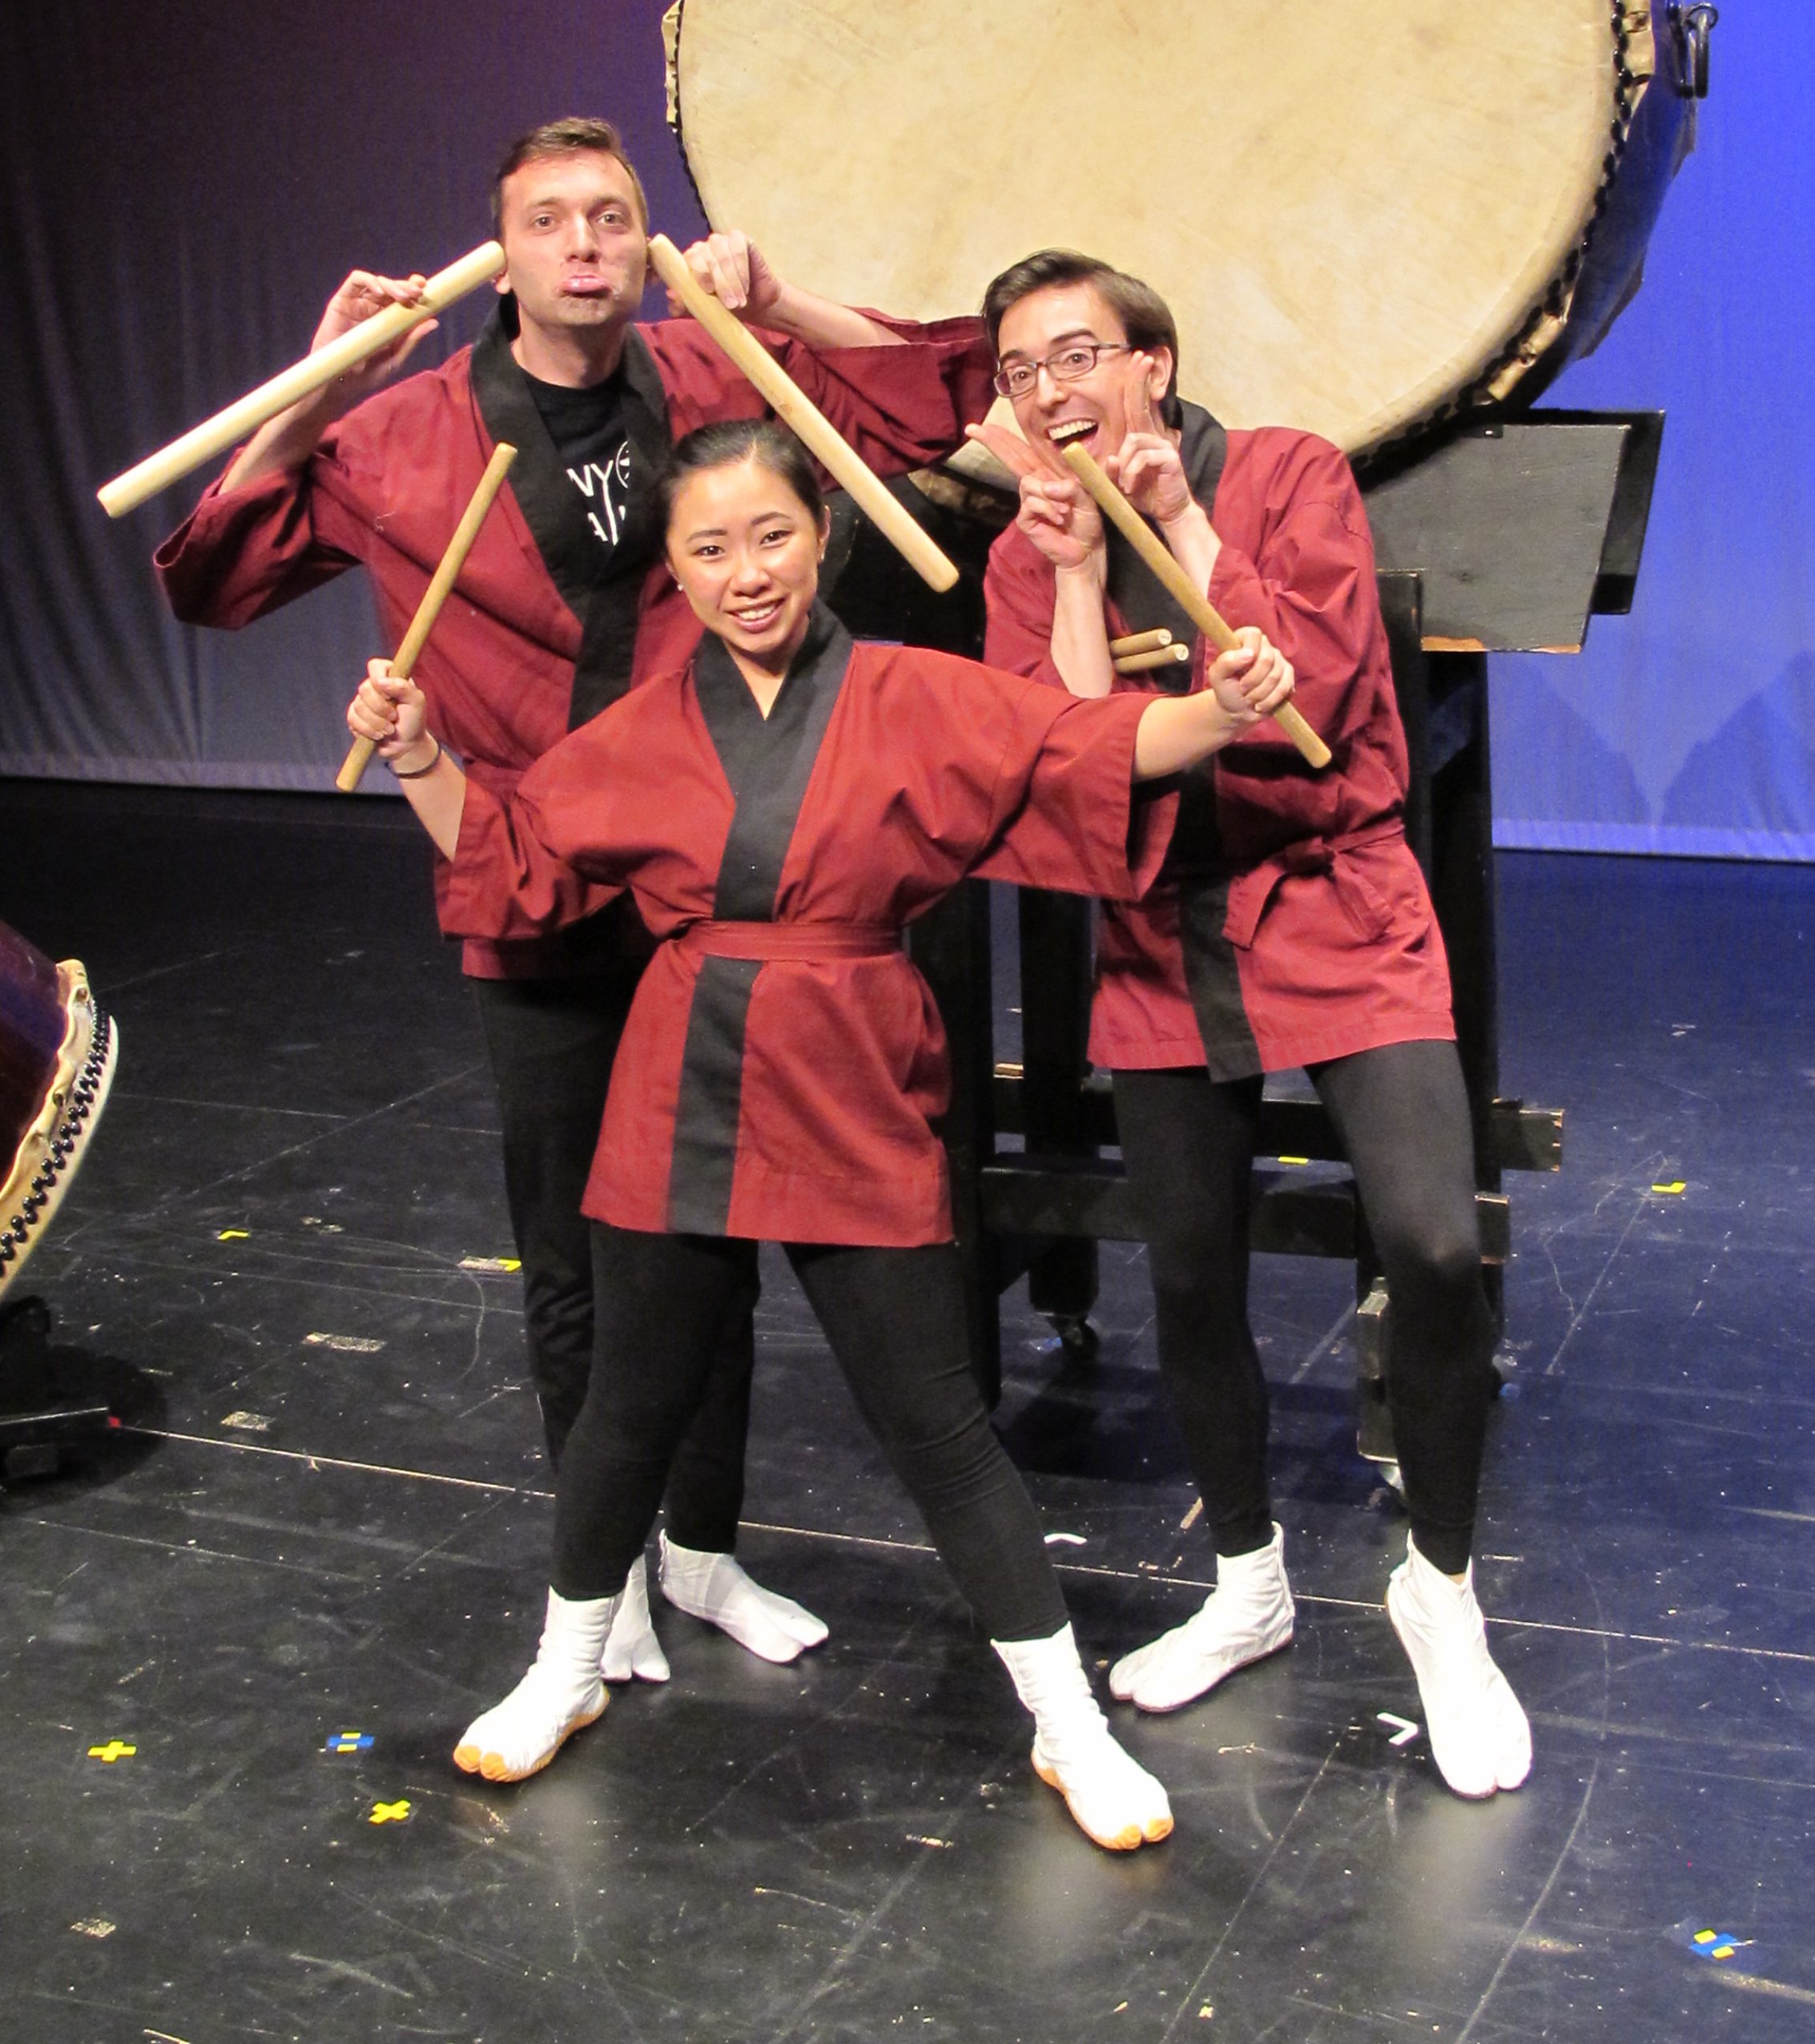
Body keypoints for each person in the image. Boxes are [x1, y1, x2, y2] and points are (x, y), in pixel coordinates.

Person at [344, 416, 1298, 1848]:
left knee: (939, 1424)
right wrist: (423, 749)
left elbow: (1086, 742)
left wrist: (1221, 711)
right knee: (626, 1406)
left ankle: (1069, 1723)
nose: (745, 573)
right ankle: (565, 1668)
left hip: (854, 1065)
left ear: (824, 534)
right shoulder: (652, 723)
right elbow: (520, 857)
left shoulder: (917, 691)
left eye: (770, 536)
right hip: (684, 1075)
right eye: (708, 549)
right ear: (672, 570)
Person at [158, 117, 989, 1684]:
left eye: (613, 214)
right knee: (572, 1251)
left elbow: (939, 396)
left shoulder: (714, 374)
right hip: (527, 874)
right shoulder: (404, 430)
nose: (588, 243)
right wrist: (316, 382)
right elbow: (212, 572)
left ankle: (705, 1551)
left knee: (713, 1230)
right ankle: (592, 1582)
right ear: (506, 251)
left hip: (708, 882)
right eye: (551, 219)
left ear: (645, 238)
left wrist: (786, 301)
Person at [972, 250, 1531, 1802]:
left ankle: (1439, 1587)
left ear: (1150, 360)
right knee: (1192, 1271)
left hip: (1339, 899)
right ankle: (1247, 1575)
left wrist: (1191, 534)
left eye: (1076, 352)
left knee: (1426, 1240)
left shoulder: (1281, 475)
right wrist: (1080, 574)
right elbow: (1073, 775)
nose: (1050, 389)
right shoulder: (1027, 558)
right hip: (1163, 928)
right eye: (1019, 371)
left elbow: (1336, 688)